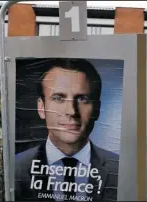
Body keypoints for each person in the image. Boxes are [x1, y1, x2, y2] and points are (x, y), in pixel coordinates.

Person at [15, 58, 119, 201]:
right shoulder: (15, 169)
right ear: (41, 107)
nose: (71, 111)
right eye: (58, 98)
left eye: (82, 99)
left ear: (97, 109)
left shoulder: (119, 169)